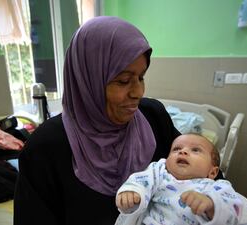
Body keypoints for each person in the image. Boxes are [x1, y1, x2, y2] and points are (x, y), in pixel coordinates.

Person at [13, 16, 180, 225]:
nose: (138, 92)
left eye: (141, 77)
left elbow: (205, 175)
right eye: (124, 81)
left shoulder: (154, 119)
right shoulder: (45, 149)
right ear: (87, 82)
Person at [115, 134, 242, 225]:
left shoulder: (217, 187)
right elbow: (142, 180)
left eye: (196, 150)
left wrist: (211, 205)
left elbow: (232, 212)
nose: (183, 152)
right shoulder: (160, 171)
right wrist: (133, 191)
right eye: (176, 149)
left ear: (212, 172)